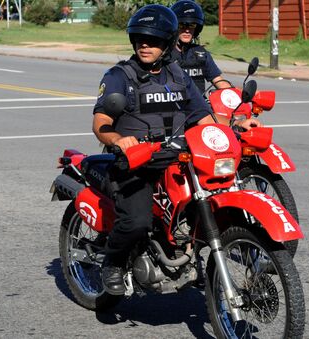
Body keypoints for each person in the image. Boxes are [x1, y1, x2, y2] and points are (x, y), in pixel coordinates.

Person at [92, 4, 260, 295]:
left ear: (167, 43)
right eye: (140, 38)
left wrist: (235, 128)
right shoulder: (120, 76)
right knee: (136, 222)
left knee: (210, 201)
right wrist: (118, 139)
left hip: (177, 158)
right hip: (135, 164)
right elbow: (101, 122)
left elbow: (203, 117)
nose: (145, 45)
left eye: (154, 40)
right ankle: (114, 263)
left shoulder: (177, 76)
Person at [170, 0, 231, 94]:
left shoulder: (201, 54)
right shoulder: (165, 54)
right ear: (175, 27)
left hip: (199, 106)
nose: (187, 30)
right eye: (182, 25)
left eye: (191, 25)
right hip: (174, 106)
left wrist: (241, 94)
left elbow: (218, 81)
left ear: (196, 28)